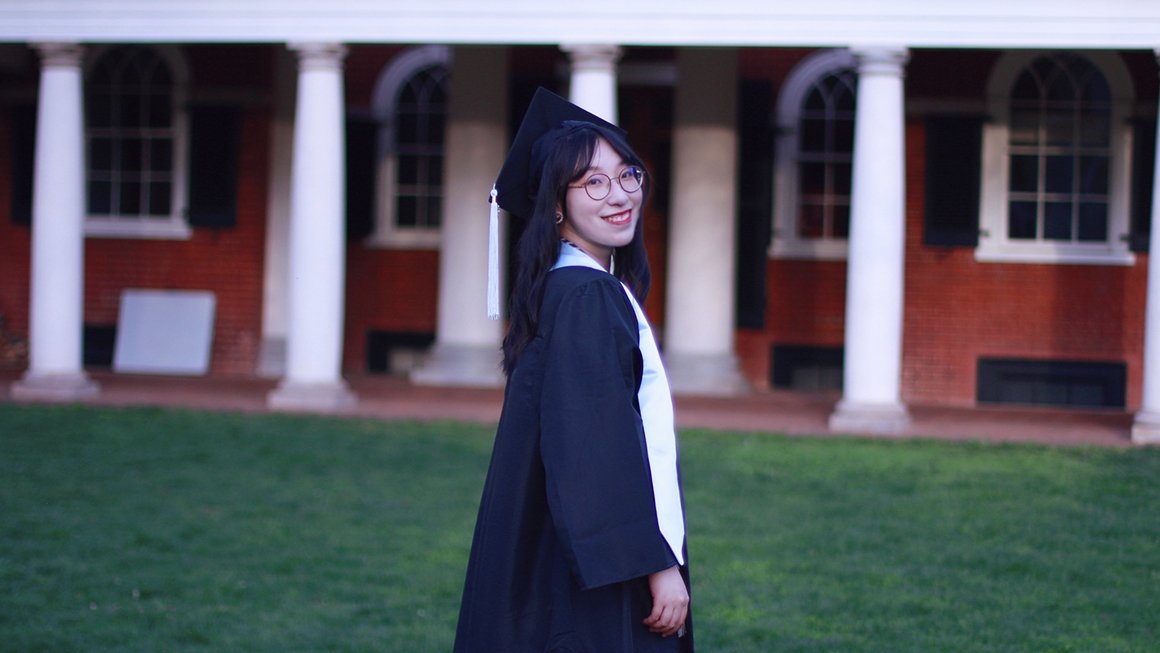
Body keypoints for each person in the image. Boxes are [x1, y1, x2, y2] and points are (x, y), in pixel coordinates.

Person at [453, 87, 693, 653]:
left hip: (557, 550)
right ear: (556, 205)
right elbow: (594, 447)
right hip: (594, 572)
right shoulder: (586, 295)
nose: (619, 196)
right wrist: (656, 564)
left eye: (626, 175)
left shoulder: (566, 289)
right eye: (592, 182)